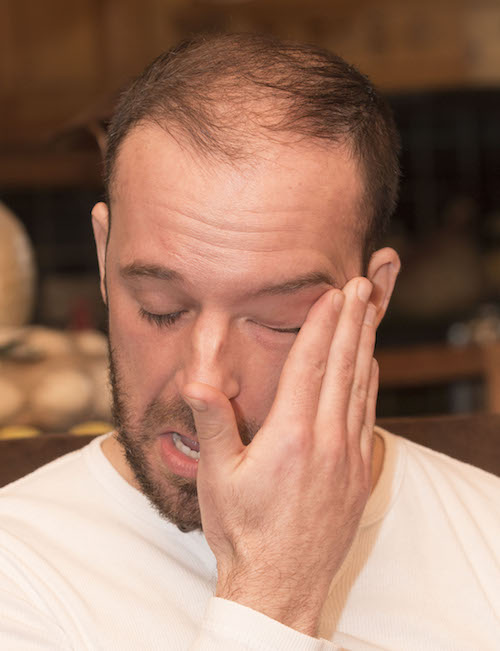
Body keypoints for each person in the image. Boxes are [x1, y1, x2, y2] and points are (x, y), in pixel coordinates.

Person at [1, 33, 499, 650]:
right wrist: (271, 595)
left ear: (372, 300)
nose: (203, 382)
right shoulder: (15, 571)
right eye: (162, 309)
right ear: (104, 258)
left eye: (276, 320)